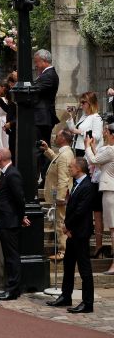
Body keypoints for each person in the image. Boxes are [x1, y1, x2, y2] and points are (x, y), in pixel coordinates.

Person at [46, 157, 95, 314]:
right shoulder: (76, 184)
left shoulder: (87, 186)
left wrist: (67, 226)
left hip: (80, 233)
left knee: (84, 269)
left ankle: (88, 303)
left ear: (79, 169)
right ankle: (66, 296)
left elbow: (81, 210)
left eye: (71, 167)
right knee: (68, 265)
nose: (69, 169)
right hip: (72, 233)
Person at [0, 147, 28, 301]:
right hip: (5, 220)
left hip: (10, 221)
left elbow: (19, 199)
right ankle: (10, 287)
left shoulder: (12, 174)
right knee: (9, 256)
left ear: (0, 158)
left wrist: (20, 217)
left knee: (12, 257)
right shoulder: (6, 173)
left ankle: (13, 289)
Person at [85, 121, 114, 273]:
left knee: (113, 229)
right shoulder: (109, 150)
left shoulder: (110, 149)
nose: (105, 133)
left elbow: (94, 161)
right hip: (109, 189)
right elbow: (101, 162)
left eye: (107, 131)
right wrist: (94, 148)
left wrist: (87, 146)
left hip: (110, 191)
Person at [41, 130, 75, 260]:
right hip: (58, 196)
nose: (55, 137)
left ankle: (63, 251)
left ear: (63, 138)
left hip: (61, 198)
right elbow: (57, 161)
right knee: (59, 222)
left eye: (58, 135)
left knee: (61, 223)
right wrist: (48, 150)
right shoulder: (64, 153)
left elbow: (64, 178)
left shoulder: (66, 155)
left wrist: (60, 197)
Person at [32, 49, 60, 178]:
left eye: (37, 62)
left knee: (41, 148)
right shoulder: (45, 74)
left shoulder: (49, 75)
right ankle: (42, 177)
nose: (35, 65)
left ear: (44, 61)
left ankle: (44, 177)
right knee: (40, 148)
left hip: (43, 117)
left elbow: (35, 90)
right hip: (40, 117)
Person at [66, 91, 103, 157]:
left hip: (87, 150)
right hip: (79, 148)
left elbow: (97, 136)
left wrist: (81, 132)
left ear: (90, 103)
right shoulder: (84, 116)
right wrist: (70, 116)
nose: (81, 104)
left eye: (83, 102)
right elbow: (73, 130)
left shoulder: (96, 117)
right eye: (80, 102)